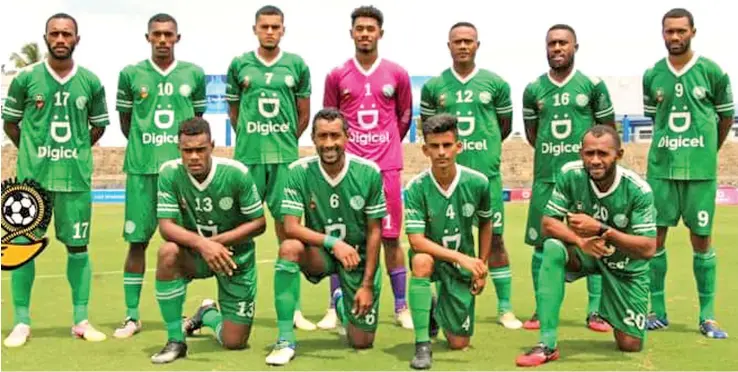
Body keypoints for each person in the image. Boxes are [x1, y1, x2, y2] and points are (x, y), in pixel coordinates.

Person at [2, 13, 109, 347]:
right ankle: (21, 322)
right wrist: (34, 153)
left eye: (67, 34)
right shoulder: (25, 79)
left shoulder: (90, 81)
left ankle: (80, 320)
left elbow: (99, 126)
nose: (60, 39)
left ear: (77, 39)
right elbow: (11, 124)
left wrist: (75, 151)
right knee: (22, 248)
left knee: (78, 249)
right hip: (32, 182)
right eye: (55, 34)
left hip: (74, 180)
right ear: (46, 37)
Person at [516, 125, 657, 367]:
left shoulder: (638, 190)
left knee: (630, 345)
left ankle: (609, 310)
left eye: (603, 154)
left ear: (618, 155)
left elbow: (648, 248)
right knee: (551, 246)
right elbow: (548, 224)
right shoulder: (570, 174)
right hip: (586, 252)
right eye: (589, 153)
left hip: (625, 267)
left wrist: (602, 230)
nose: (595, 160)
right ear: (581, 153)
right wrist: (581, 241)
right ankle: (547, 343)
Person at [265, 108, 386, 366]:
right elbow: (291, 226)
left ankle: (342, 303)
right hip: (321, 253)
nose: (329, 143)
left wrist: (366, 285)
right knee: (289, 247)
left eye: (335, 136)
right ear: (313, 138)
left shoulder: (369, 172)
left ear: (347, 137)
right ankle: (285, 340)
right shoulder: (298, 171)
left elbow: (376, 231)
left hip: (358, 259)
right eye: (322, 136)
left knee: (362, 341)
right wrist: (333, 243)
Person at [419, 22, 520, 329]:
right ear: (448, 45)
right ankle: (439, 303)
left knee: (497, 239)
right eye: (457, 41)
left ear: (478, 45)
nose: (463, 46)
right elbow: (431, 128)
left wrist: (483, 152)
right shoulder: (434, 87)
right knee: (442, 239)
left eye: (469, 41)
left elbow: (503, 126)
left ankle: (505, 308)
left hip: (485, 176)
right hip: (446, 179)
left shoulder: (496, 84)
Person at [114, 13, 207, 339]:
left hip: (177, 175)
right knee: (137, 243)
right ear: (148, 37)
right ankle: (131, 316)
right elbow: (127, 123)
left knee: (177, 246)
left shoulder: (193, 74)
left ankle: (179, 314)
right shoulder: (130, 74)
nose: (163, 39)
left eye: (169, 34)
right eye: (158, 34)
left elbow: (196, 121)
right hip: (141, 170)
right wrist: (146, 147)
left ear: (177, 38)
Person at [642, 8, 734, 338]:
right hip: (661, 171)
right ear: (662, 33)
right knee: (654, 240)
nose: (675, 37)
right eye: (670, 31)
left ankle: (707, 316)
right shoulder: (652, 74)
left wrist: (707, 151)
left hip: (700, 171)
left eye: (681, 31)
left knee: (702, 241)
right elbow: (655, 120)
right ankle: (657, 310)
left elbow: (725, 118)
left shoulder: (712, 72)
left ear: (693, 31)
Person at [322, 5, 413, 330]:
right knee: (341, 236)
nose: (364, 34)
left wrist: (385, 145)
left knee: (390, 237)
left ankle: (401, 306)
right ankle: (335, 305)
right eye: (359, 28)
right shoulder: (337, 74)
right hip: (348, 171)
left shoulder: (397, 73)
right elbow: (329, 120)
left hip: (386, 168)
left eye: (370, 29)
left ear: (380, 33)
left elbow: (404, 116)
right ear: (352, 33)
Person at [225, 4, 316, 331]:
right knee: (240, 233)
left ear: (283, 30)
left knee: (288, 233)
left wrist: (284, 140)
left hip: (285, 160)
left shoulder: (297, 65)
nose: (270, 31)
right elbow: (234, 112)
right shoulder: (239, 65)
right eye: (264, 26)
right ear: (255, 29)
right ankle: (237, 307)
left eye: (275, 27)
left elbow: (303, 115)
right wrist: (252, 138)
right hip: (248, 159)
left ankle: (293, 310)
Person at [521, 24, 616, 332]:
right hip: (547, 177)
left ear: (576, 47)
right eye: (552, 43)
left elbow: (606, 132)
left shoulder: (592, 85)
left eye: (563, 43)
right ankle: (540, 309)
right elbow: (533, 134)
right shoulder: (533, 89)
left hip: (585, 181)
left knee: (596, 240)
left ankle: (596, 311)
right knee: (541, 245)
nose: (557, 48)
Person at [149, 117, 266, 364]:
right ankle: (175, 340)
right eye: (187, 150)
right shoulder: (170, 173)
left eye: (200, 149)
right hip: (195, 255)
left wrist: (217, 243)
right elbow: (166, 227)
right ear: (178, 148)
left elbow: (259, 222)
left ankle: (207, 314)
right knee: (167, 252)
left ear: (212, 146)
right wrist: (204, 245)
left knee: (234, 342)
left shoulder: (236, 173)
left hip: (234, 259)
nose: (193, 156)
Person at [404, 114, 492, 370]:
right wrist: (462, 258)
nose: (441, 152)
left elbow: (487, 224)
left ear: (458, 146)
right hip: (434, 258)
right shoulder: (416, 187)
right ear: (425, 149)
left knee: (459, 342)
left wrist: (481, 266)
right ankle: (422, 344)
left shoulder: (478, 183)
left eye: (446, 145)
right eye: (434, 146)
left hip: (461, 264)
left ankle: (433, 307)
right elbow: (417, 241)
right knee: (420, 261)